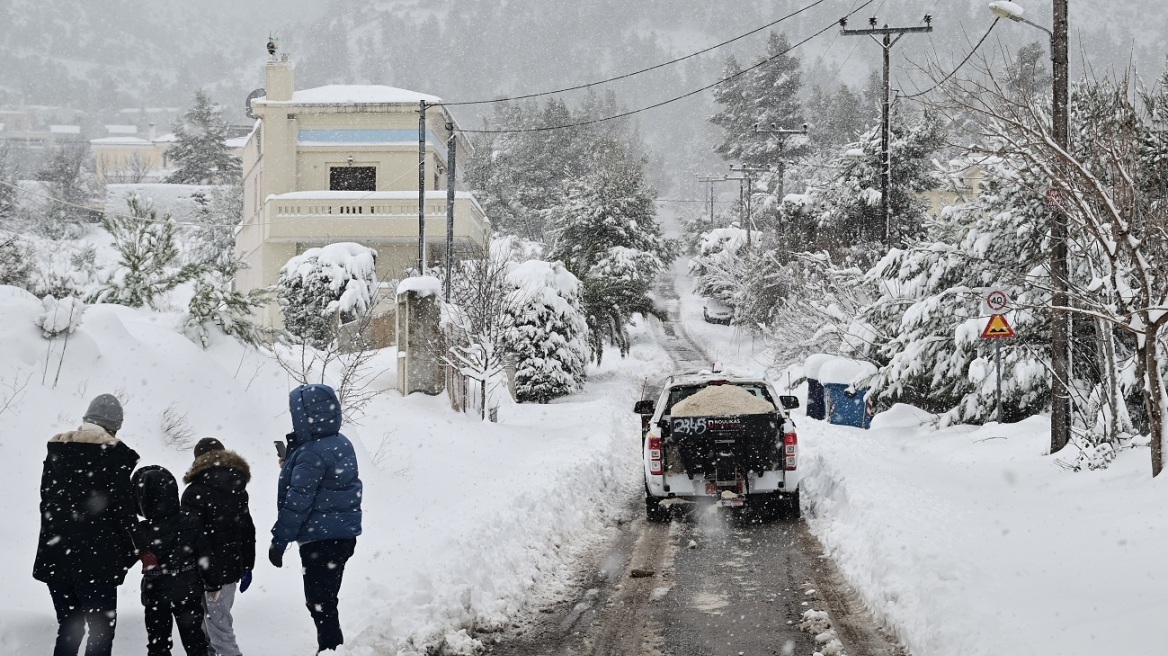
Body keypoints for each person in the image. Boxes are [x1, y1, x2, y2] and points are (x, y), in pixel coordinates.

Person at [34, 393, 140, 656]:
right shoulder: (115, 457)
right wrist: (133, 552)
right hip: (96, 561)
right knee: (101, 630)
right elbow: (123, 516)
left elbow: (46, 505)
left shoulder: (58, 452)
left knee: (70, 627)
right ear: (114, 426)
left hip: (56, 558)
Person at [269, 384, 363, 654]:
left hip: (321, 539)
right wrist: (292, 463)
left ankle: (331, 649)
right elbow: (331, 483)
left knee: (319, 602)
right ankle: (333, 647)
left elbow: (298, 501)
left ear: (307, 415)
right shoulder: (340, 442)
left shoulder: (311, 453)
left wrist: (279, 540)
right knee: (325, 600)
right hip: (341, 535)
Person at [181, 437, 256, 656]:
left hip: (202, 568)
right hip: (231, 568)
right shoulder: (238, 488)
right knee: (217, 619)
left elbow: (188, 536)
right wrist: (247, 565)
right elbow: (247, 530)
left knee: (214, 623)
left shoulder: (194, 492)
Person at [132, 465, 215, 656]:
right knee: (195, 641)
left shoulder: (141, 530)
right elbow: (205, 554)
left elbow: (125, 559)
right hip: (188, 587)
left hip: (156, 590)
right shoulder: (190, 521)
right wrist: (214, 583)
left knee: (158, 643)